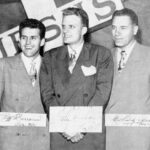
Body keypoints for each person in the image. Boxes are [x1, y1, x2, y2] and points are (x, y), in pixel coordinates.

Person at [40, 7, 113, 150]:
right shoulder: (50, 56)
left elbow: (102, 93)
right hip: (61, 132)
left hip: (89, 131)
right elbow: (47, 94)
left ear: (84, 30)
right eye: (64, 27)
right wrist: (63, 125)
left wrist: (82, 126)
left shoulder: (102, 54)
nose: (65, 31)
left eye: (71, 27)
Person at [0, 18, 50, 150]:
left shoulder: (51, 67)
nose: (27, 43)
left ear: (42, 41)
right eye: (24, 38)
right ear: (19, 40)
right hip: (11, 141)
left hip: (41, 141)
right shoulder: (4, 65)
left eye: (33, 38)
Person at [105, 8, 150, 150]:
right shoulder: (103, 57)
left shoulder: (148, 55)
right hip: (109, 136)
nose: (116, 33)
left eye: (123, 28)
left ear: (135, 30)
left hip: (140, 136)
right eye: (114, 27)